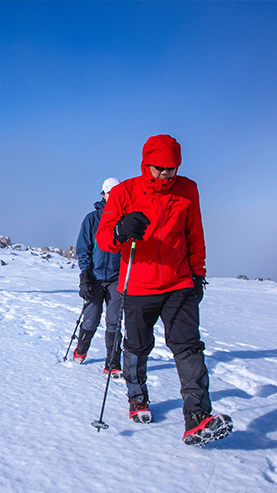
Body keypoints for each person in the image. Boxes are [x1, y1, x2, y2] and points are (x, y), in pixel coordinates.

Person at [96, 134, 231, 446]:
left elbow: (194, 235)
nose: (165, 175)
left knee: (188, 347)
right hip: (138, 285)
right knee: (137, 347)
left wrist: (198, 275)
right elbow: (104, 239)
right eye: (159, 169)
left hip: (179, 283)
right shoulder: (124, 192)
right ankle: (137, 399)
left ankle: (197, 418)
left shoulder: (188, 190)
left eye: (171, 169)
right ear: (146, 164)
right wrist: (121, 229)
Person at [74, 177, 124, 379]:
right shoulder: (92, 219)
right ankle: (81, 348)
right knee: (91, 319)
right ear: (103, 194)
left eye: (117, 193)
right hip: (94, 278)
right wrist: (85, 275)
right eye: (110, 192)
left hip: (117, 279)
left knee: (115, 321)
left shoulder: (125, 219)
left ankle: (112, 363)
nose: (113, 196)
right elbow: (83, 248)